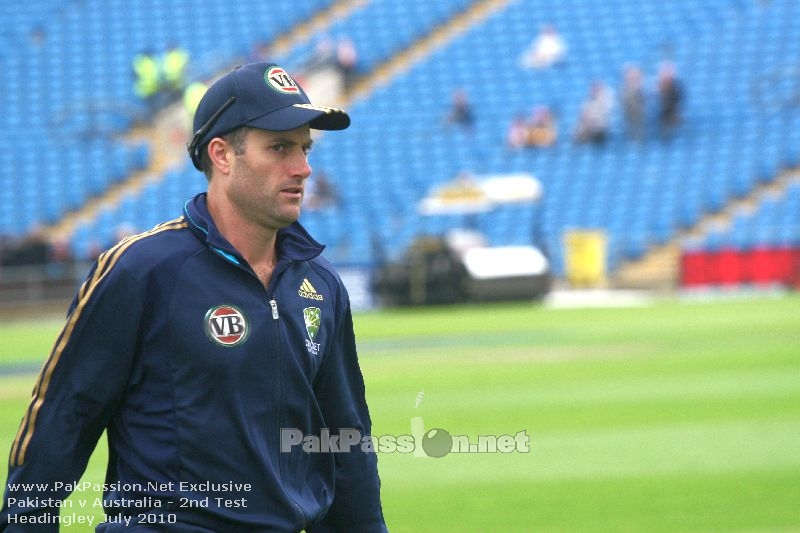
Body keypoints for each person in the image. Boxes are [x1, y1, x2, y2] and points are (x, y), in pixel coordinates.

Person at [1, 62, 388, 532]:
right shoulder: (142, 271)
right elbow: (59, 427)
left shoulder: (321, 284)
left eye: (304, 148)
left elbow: (345, 441)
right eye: (281, 147)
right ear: (222, 155)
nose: (303, 167)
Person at [573, 80, 614, 145]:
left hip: (601, 131)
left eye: (596, 89)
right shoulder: (586, 103)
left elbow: (604, 116)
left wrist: (593, 119)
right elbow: (583, 115)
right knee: (578, 131)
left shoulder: (606, 101)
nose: (593, 91)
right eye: (593, 89)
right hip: (589, 129)